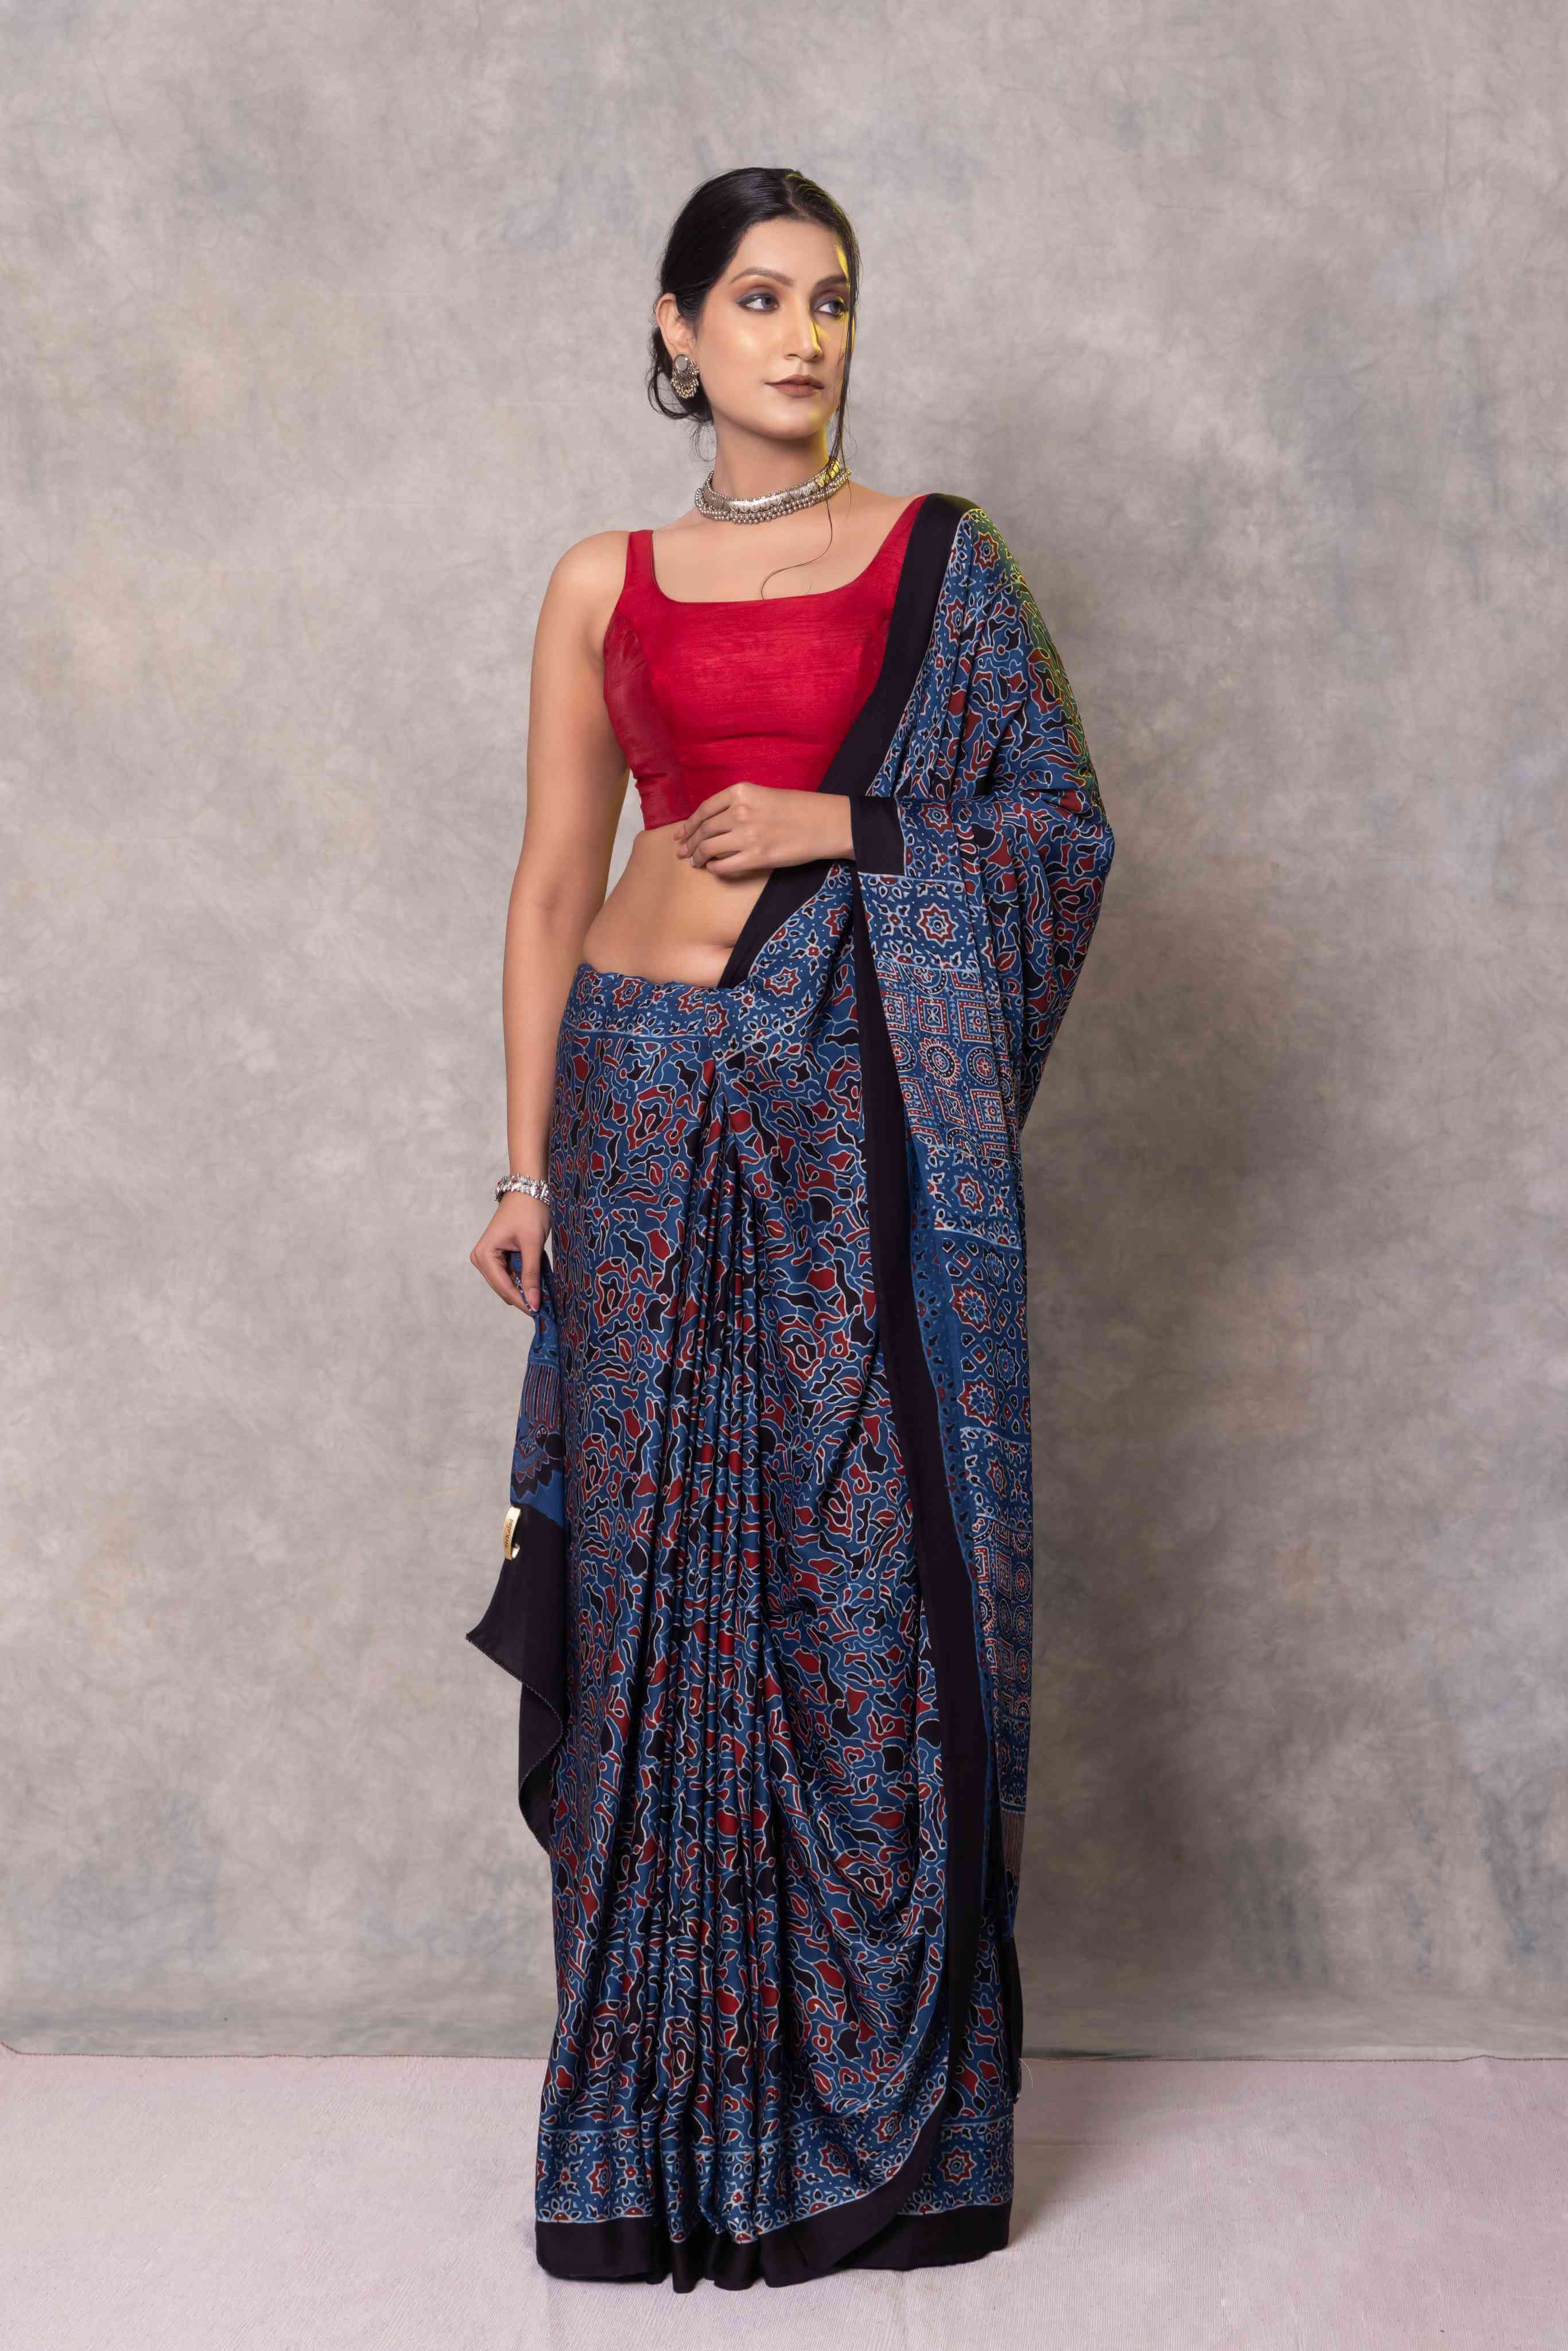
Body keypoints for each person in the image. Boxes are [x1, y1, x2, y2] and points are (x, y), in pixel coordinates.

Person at [465, 165, 1116, 2292]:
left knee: (848, 1578)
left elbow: (1056, 831)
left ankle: (875, 2124)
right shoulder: (595, 580)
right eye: (757, 299)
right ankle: (656, 2129)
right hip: (643, 1098)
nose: (803, 337)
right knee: (658, 1576)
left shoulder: (940, 561)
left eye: (831, 299)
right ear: (676, 332)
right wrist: (524, 1164)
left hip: (848, 1109)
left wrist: (857, 821)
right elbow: (556, 887)